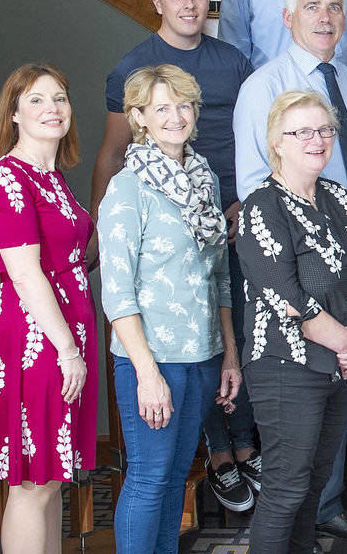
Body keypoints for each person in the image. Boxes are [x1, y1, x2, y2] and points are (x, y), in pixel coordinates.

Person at [89, 0, 260, 513]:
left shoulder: (233, 61)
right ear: (157, 2)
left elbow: (256, 138)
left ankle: (244, 444)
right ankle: (220, 456)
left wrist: (241, 202)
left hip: (228, 213)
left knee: (231, 328)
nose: (189, 5)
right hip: (164, 228)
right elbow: (113, 151)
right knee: (153, 470)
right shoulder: (133, 67)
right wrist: (99, 232)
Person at [231, 0, 347, 542]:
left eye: (334, 7)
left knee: (315, 478)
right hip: (292, 354)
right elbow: (282, 287)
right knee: (289, 486)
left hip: (343, 346)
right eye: (302, 132)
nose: (317, 140)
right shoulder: (263, 89)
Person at [99, 65, 241, 552]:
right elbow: (117, 293)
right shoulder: (127, 188)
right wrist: (147, 373)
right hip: (151, 359)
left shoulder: (204, 180)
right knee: (148, 478)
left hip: (202, 356)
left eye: (184, 105)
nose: (175, 117)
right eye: (161, 107)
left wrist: (229, 355)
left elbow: (219, 277)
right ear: (138, 116)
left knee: (178, 474)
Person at [0, 63, 96, 554]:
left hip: (65, 336)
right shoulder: (7, 177)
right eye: (37, 100)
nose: (53, 109)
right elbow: (25, 274)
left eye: (60, 98)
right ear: (14, 114)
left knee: (51, 479)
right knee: (32, 483)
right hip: (37, 339)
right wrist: (67, 349)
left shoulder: (53, 178)